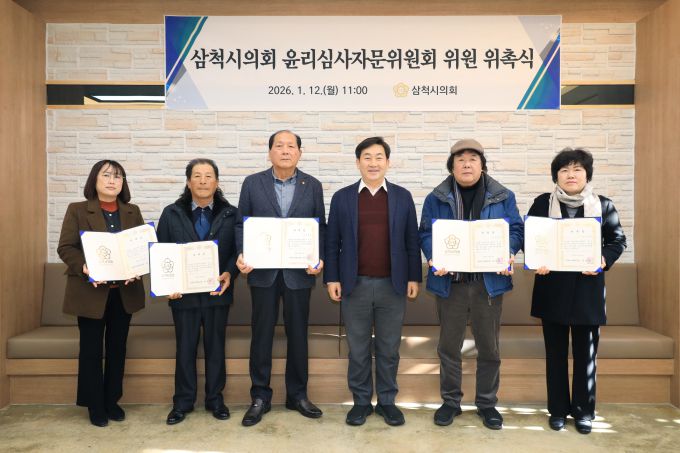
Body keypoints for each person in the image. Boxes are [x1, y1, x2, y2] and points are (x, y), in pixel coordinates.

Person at [419, 139, 523, 430]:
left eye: (473, 159)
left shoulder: (503, 196)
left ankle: (487, 404)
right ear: (451, 166)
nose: (466, 164)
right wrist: (433, 255)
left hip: (487, 285)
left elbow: (516, 229)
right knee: (448, 347)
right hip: (450, 284)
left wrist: (509, 251)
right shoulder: (436, 198)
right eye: (460, 160)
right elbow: (425, 232)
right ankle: (451, 402)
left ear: (482, 165)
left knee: (489, 348)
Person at [325, 137, 421, 427]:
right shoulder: (342, 197)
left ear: (388, 162)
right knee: (358, 349)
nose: (373, 163)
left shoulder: (402, 197)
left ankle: (388, 402)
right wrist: (332, 278)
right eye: (367, 157)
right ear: (358, 163)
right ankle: (361, 402)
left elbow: (412, 240)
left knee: (389, 348)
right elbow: (332, 242)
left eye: (379, 157)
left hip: (394, 285)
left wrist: (414, 276)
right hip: (354, 285)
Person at [529, 148, 626, 434]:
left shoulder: (604, 205)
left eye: (577, 169)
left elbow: (617, 241)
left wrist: (603, 259)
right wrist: (536, 260)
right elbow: (531, 239)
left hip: (587, 292)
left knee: (586, 355)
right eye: (564, 170)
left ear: (587, 174)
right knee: (555, 354)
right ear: (556, 176)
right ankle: (558, 410)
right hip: (552, 289)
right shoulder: (542, 203)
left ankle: (584, 412)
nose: (570, 175)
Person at [235, 130, 326, 426]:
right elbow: (241, 224)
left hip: (299, 275)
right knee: (261, 335)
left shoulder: (312, 185)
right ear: (269, 152)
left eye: (291, 146)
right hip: (263, 273)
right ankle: (260, 397)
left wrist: (318, 258)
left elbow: (319, 227)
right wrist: (242, 253)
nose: (285, 151)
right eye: (279, 146)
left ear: (300, 152)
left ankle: (297, 395)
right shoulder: (253, 183)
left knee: (298, 335)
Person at [57, 160, 146, 427]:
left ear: (123, 183)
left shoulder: (132, 211)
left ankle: (111, 401)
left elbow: (141, 249)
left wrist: (138, 268)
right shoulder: (77, 210)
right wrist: (86, 268)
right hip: (90, 292)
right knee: (91, 350)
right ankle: (94, 404)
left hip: (124, 293)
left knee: (118, 348)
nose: (112, 181)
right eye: (106, 175)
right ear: (94, 180)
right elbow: (66, 247)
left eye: (118, 176)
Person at [157, 158, 238, 425]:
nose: (203, 181)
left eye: (208, 176)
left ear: (217, 182)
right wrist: (167, 285)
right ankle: (182, 402)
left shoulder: (231, 214)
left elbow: (237, 252)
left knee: (216, 348)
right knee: (185, 348)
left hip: (217, 294)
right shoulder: (171, 213)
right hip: (183, 296)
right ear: (188, 182)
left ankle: (215, 400)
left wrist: (230, 273)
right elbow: (161, 252)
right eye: (197, 176)